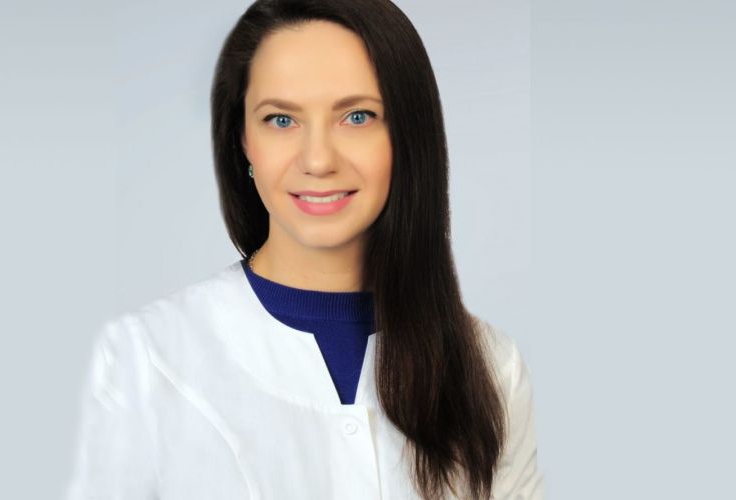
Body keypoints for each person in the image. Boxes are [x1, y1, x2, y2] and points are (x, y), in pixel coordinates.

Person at [63, 0, 544, 499]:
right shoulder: (142, 361)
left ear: (407, 135)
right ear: (242, 140)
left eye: (357, 116)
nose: (317, 160)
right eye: (280, 120)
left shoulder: (492, 368)